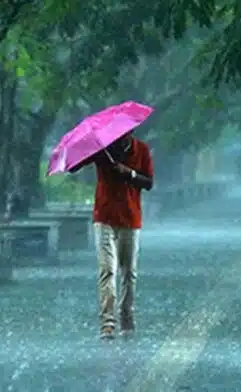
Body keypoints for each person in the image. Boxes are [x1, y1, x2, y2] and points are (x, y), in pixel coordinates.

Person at [69, 131, 154, 340]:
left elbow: (149, 183)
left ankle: (126, 316)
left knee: (129, 272)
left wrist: (130, 174)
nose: (121, 136)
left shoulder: (141, 150)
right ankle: (107, 323)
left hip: (131, 219)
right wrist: (85, 149)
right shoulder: (102, 150)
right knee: (107, 270)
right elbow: (74, 167)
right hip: (104, 217)